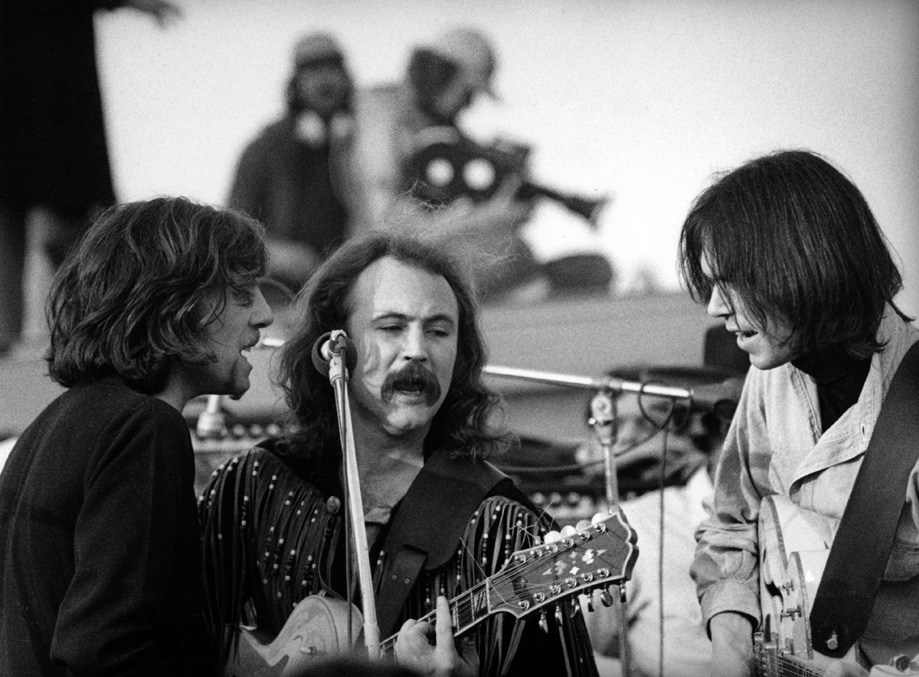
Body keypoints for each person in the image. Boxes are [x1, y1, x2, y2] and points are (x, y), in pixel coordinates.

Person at [198, 230, 599, 676]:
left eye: (439, 331)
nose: (417, 351)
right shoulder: (255, 486)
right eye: (391, 328)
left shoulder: (506, 529)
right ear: (334, 346)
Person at [0, 197, 273, 675]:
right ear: (176, 305)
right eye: (242, 292)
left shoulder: (49, 428)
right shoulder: (145, 429)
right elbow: (107, 651)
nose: (266, 315)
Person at [679, 150, 918, 677]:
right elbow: (730, 522)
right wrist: (732, 649)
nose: (716, 309)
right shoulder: (769, 376)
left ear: (802, 269)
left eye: (731, 284)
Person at [352, 26, 611, 302]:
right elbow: (389, 233)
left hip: (433, 255)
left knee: (582, 266)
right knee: (511, 257)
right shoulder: (381, 118)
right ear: (441, 75)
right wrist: (487, 218)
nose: (468, 105)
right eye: (466, 93)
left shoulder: (433, 125)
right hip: (390, 268)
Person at [0, 0, 180, 356]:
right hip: (29, 93)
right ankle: (60, 333)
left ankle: (88, 334)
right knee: (20, 225)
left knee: (66, 225)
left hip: (58, 100)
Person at [577, 358, 745, 677]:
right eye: (610, 426)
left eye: (642, 426)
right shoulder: (634, 525)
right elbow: (570, 650)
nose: (625, 441)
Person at [227, 31, 360, 294]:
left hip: (350, 285)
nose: (324, 80)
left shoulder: (363, 142)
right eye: (312, 71)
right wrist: (277, 254)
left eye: (332, 68)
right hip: (285, 294)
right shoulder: (265, 148)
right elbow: (233, 230)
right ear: (295, 83)